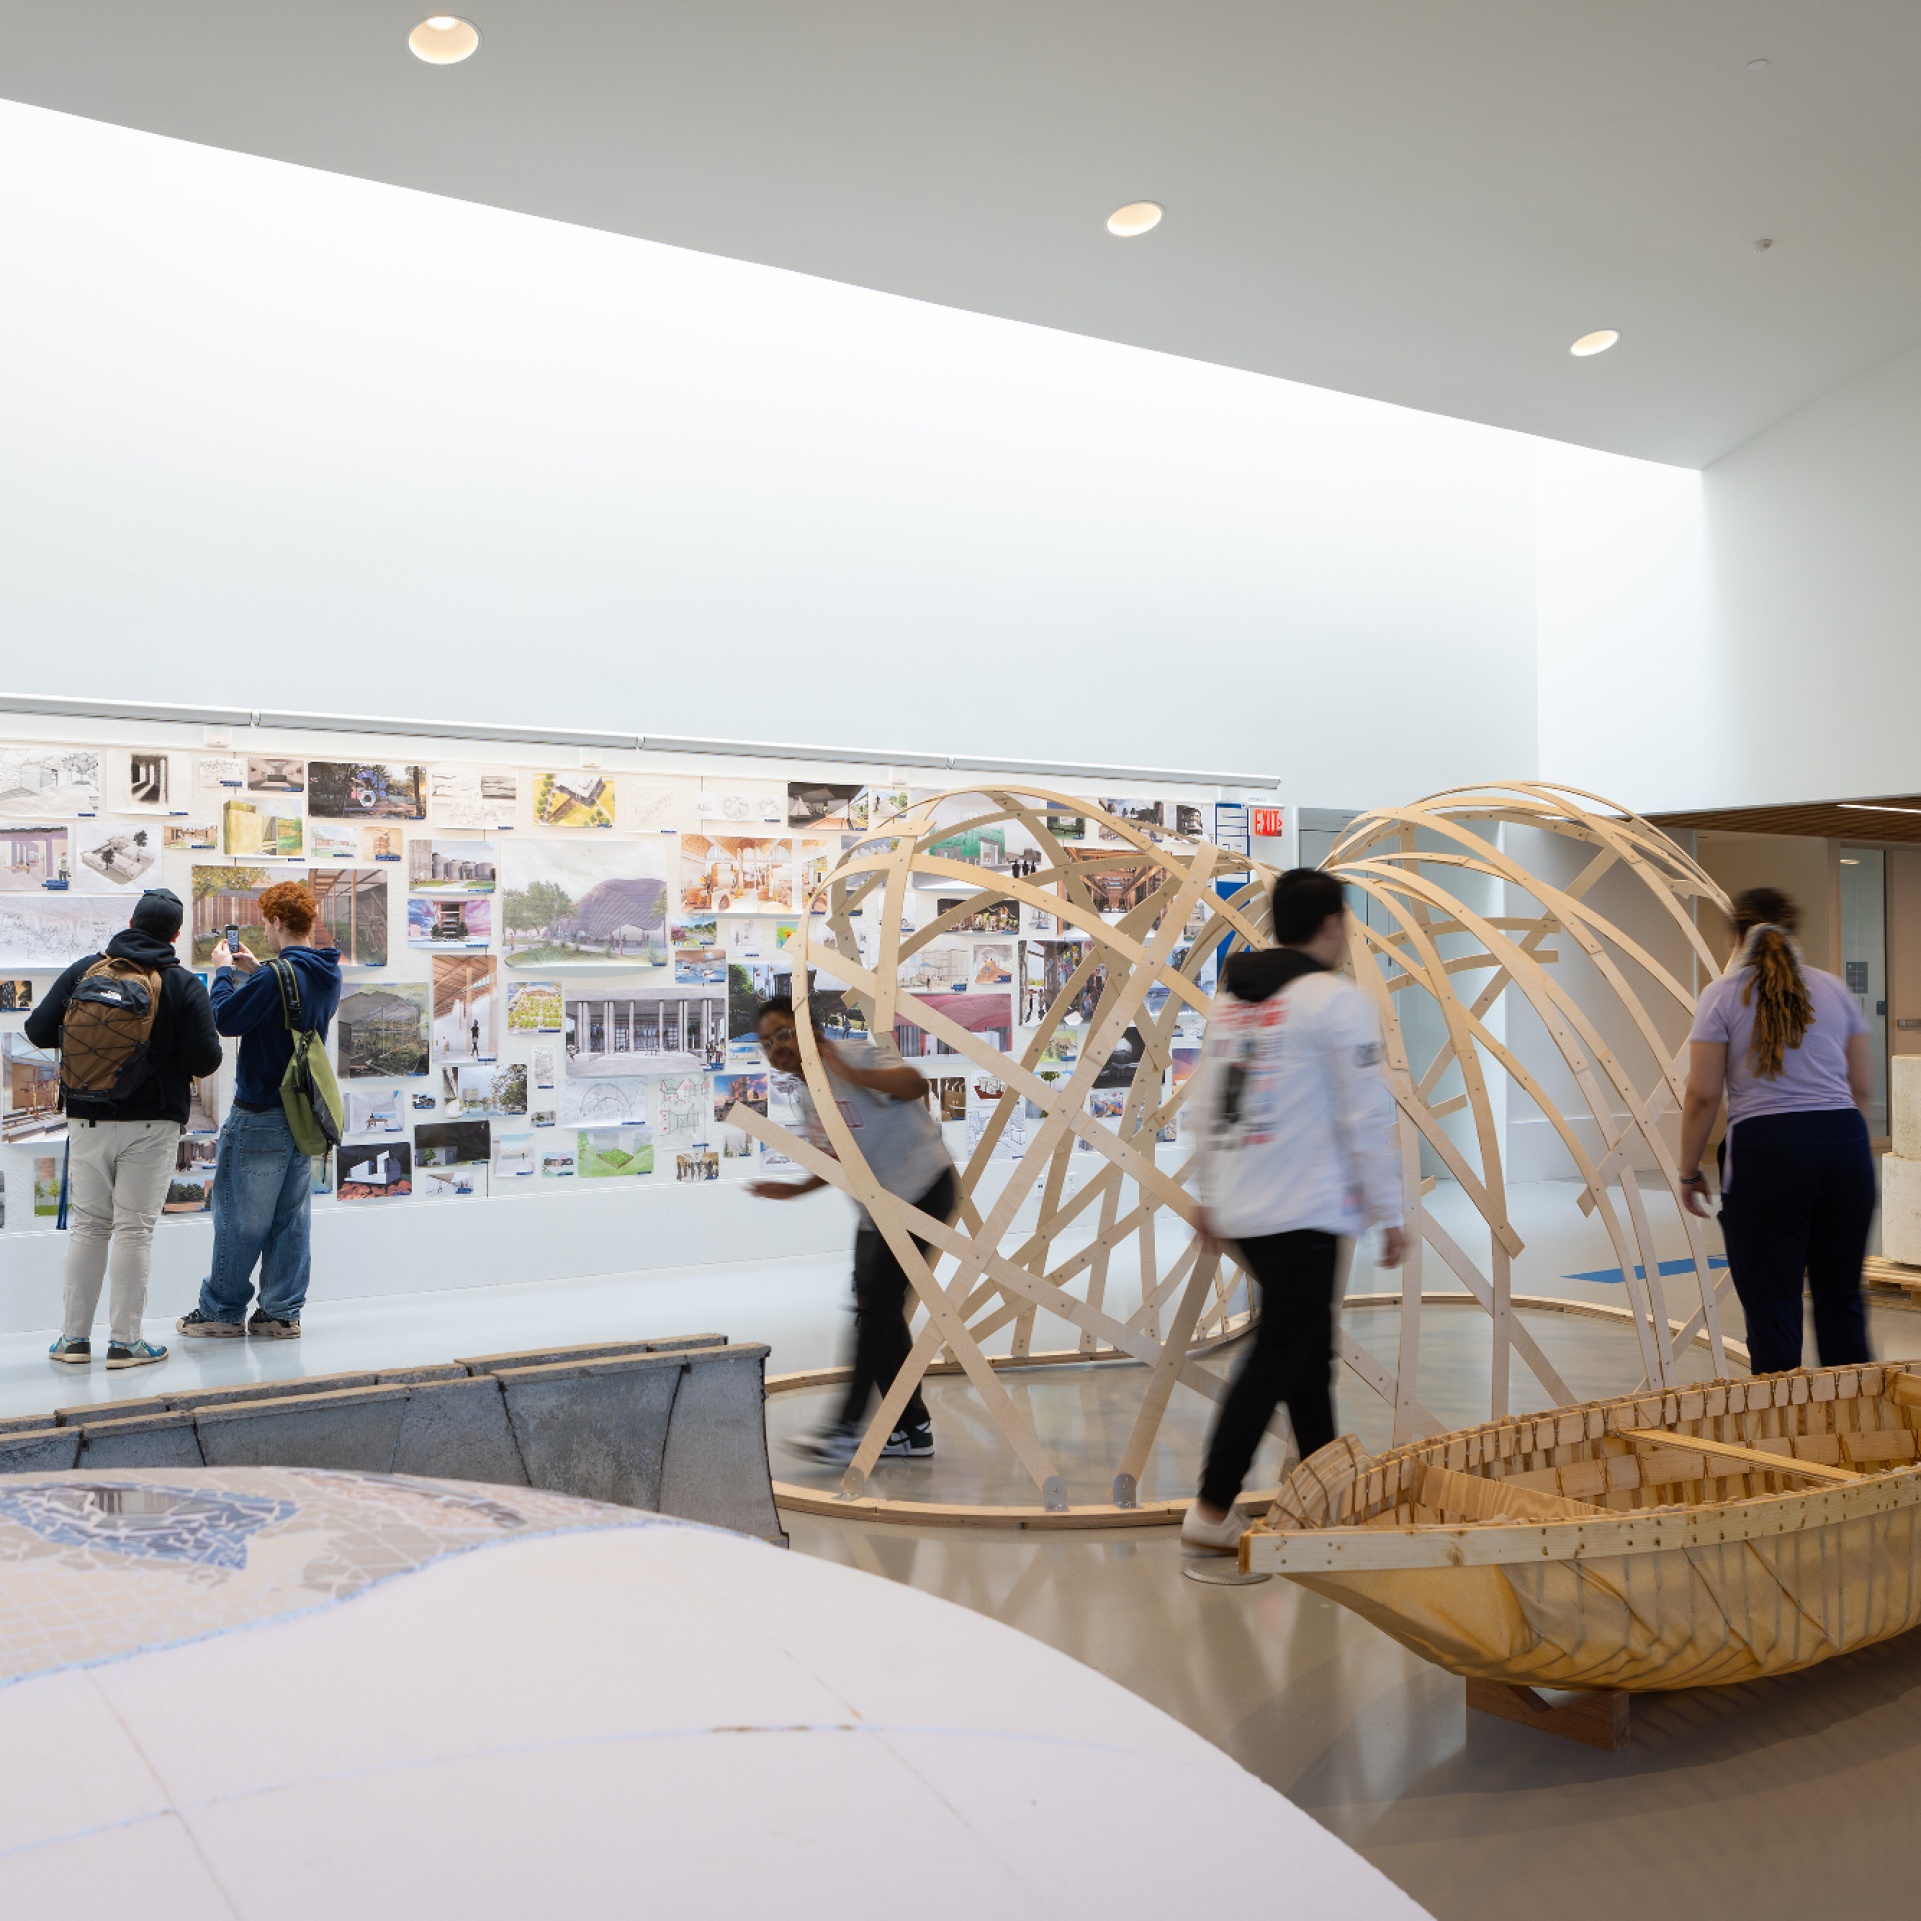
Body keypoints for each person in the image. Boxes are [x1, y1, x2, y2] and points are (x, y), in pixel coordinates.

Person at [1182, 868, 1405, 1553]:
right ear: (1332, 922)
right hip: (1303, 1209)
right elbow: (1364, 1111)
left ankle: (1325, 1492)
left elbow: (1206, 1099)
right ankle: (1213, 1504)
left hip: (1249, 1208)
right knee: (1281, 1351)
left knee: (1307, 1354)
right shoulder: (1334, 1002)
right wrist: (1389, 1208)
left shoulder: (1235, 1000)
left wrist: (1210, 1194)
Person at [750, 994, 957, 1465]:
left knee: (876, 1307)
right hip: (878, 1209)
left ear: (810, 1031)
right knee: (874, 1312)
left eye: (785, 1034)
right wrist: (793, 1190)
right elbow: (833, 1160)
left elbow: (914, 1085)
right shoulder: (805, 1095)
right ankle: (909, 1428)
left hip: (922, 1188)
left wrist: (848, 1072)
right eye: (768, 1042)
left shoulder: (858, 1054)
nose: (778, 1048)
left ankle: (847, 1428)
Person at [1679, 886, 1874, 1374]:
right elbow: (1862, 1089)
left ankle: (1784, 1440)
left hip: (1768, 1154)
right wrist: (1838, 1150)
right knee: (1841, 1301)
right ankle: (1857, 1436)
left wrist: (1688, 1172)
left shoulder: (1722, 995)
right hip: (1845, 1147)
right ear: (1792, 931)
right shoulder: (1833, 989)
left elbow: (1702, 1094)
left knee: (1773, 1306)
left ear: (1734, 938)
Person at [26, 887, 222, 1370]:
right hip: (152, 1122)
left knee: (90, 1227)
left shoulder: (86, 970)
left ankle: (72, 1341)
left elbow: (37, 1030)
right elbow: (207, 1058)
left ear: (132, 921)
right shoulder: (180, 983)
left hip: (88, 1116)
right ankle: (125, 1342)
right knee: (134, 1230)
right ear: (176, 934)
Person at [177, 880, 341, 1341]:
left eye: (265, 924)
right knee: (291, 1218)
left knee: (239, 1218)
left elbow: (225, 1019)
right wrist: (258, 971)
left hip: (261, 1111)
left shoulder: (275, 976)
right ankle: (280, 1312)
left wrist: (225, 972)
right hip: (302, 1115)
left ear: (273, 921)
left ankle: (222, 1312)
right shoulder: (326, 971)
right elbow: (282, 1007)